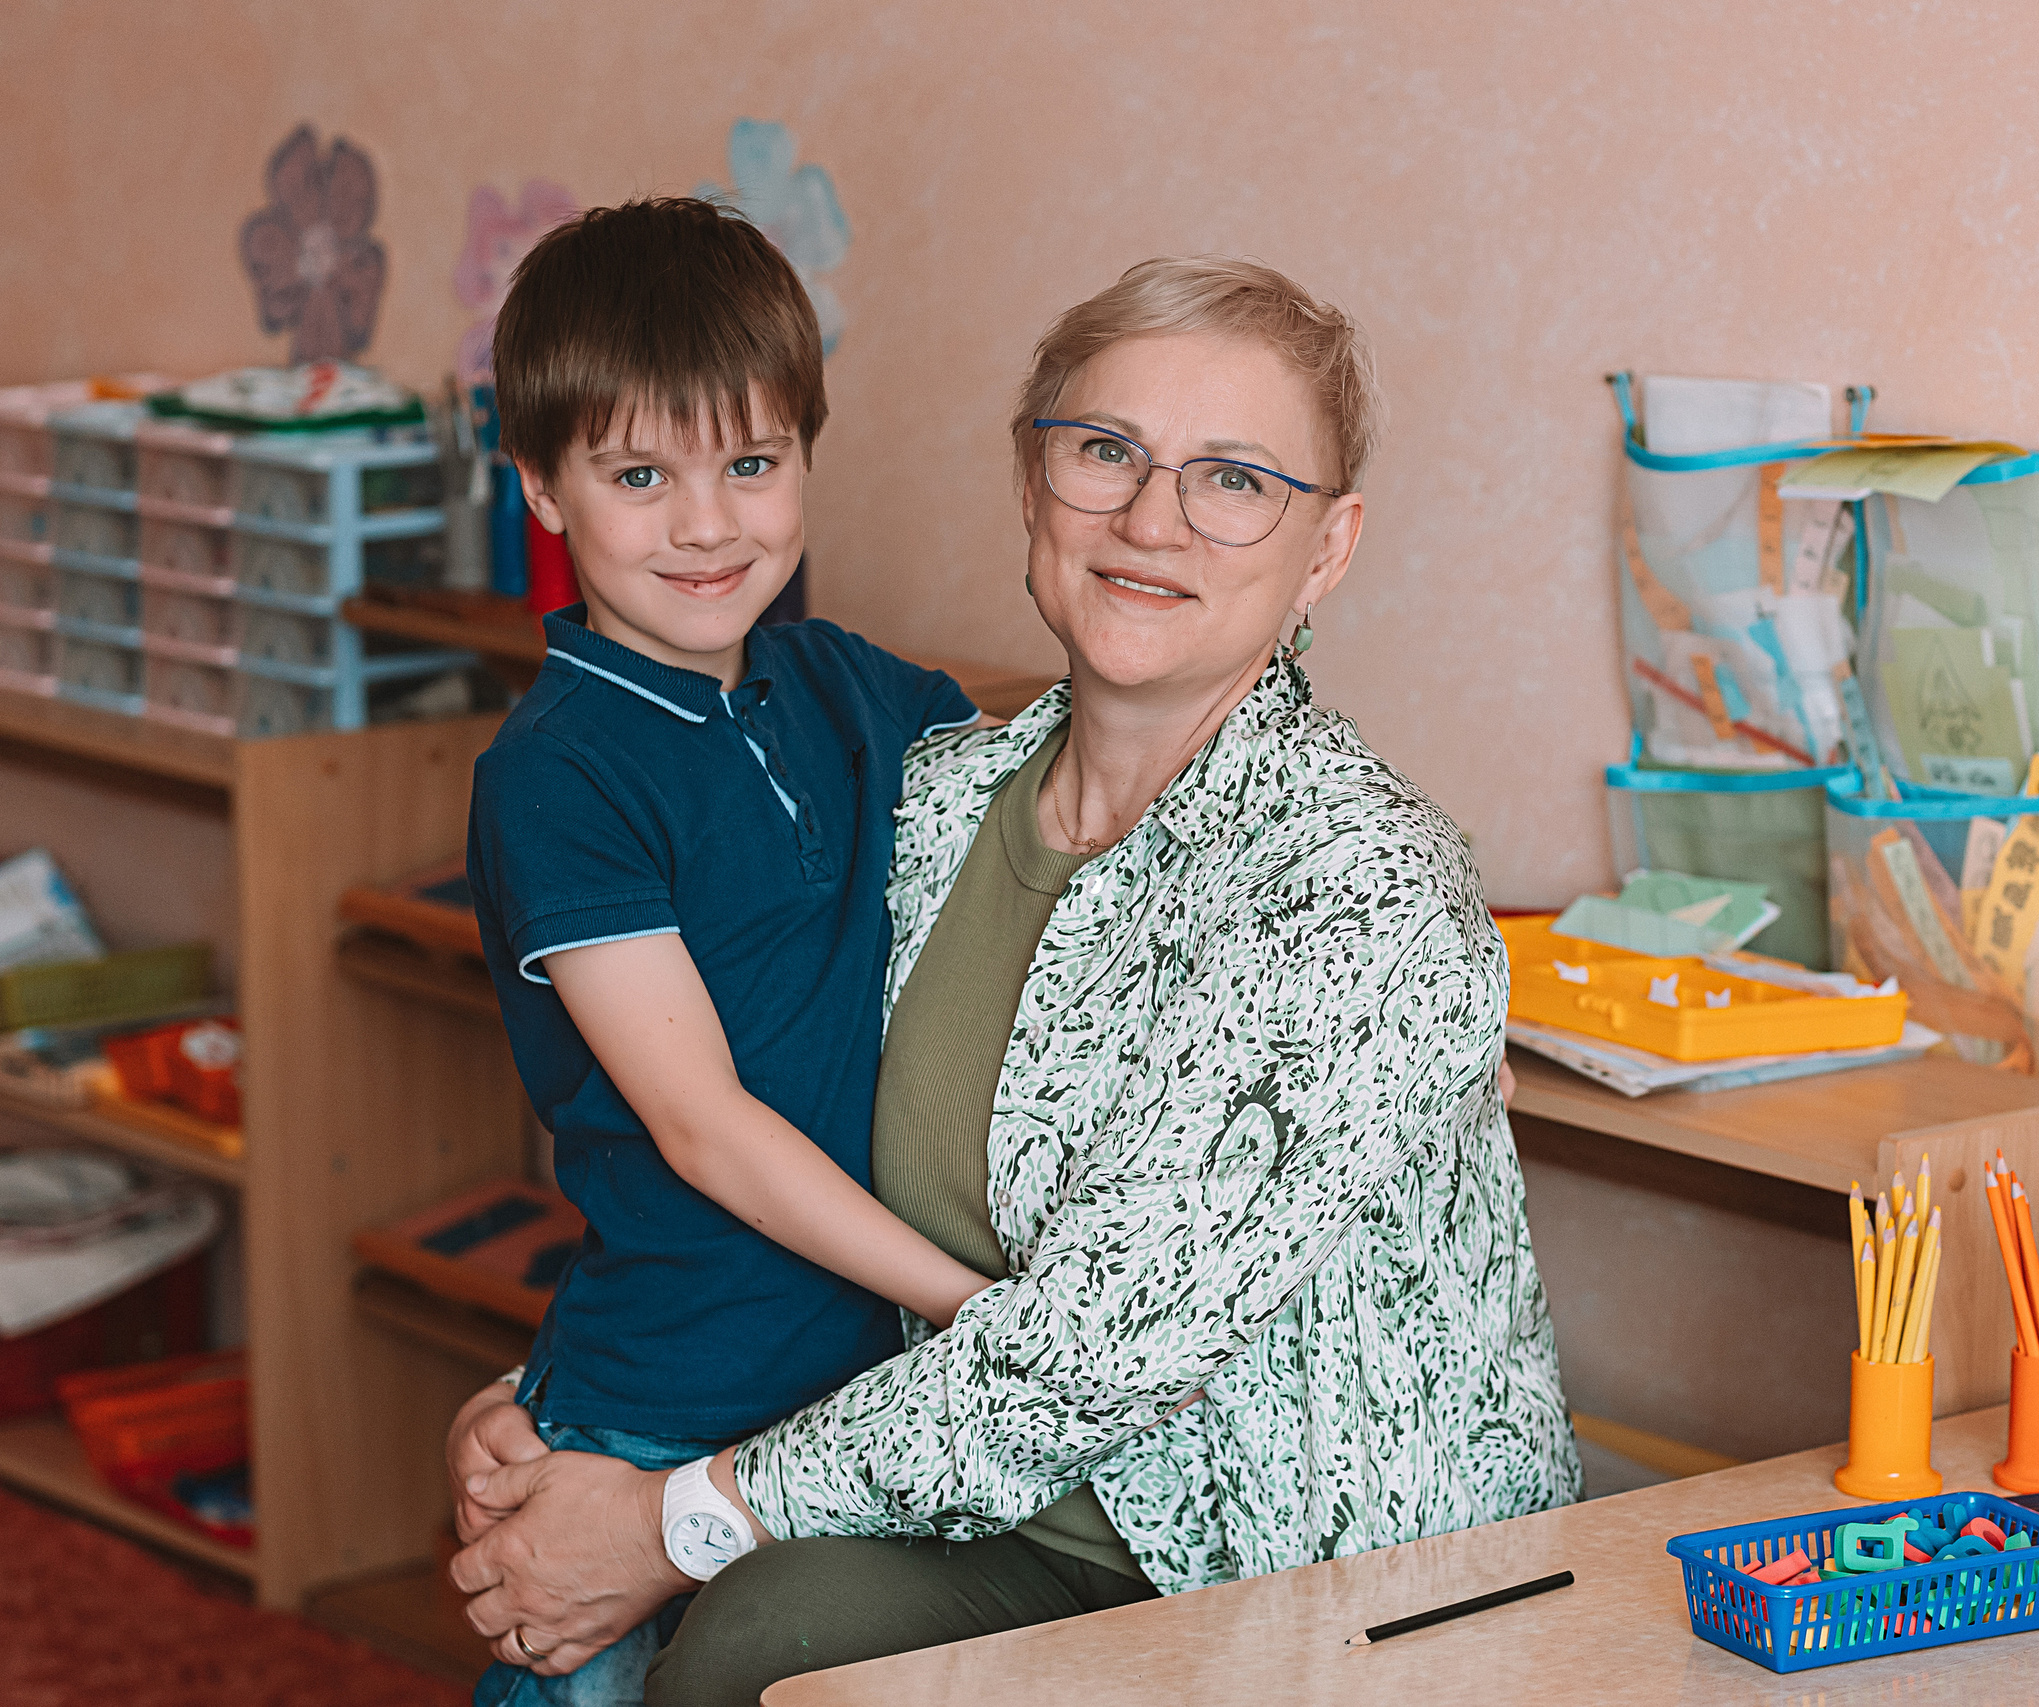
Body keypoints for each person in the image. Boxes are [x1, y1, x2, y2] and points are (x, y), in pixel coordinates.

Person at [447, 256, 1581, 1705]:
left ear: (1330, 545)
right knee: (763, 1636)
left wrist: (663, 1520)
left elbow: (1097, 1346)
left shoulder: (1360, 882)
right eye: (1105, 453)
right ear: (1033, 490)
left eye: (1235, 480)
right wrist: (547, 1416)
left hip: (1301, 1566)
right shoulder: (922, 796)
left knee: (742, 1629)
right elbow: (709, 1114)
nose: (1151, 518)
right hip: (984, 1507)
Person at [461, 197, 998, 1706]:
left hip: (842, 1407)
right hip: (658, 1399)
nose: (708, 525)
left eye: (752, 466)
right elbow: (701, 1128)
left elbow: (1059, 804)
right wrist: (974, 1307)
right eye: (641, 476)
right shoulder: (561, 772)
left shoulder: (853, 690)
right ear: (544, 489)